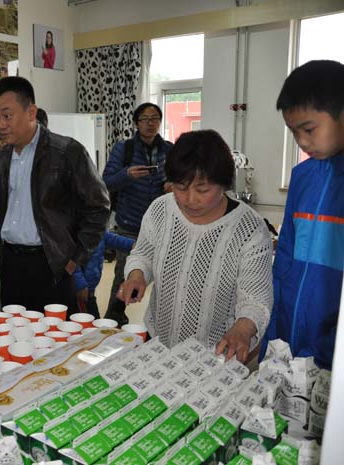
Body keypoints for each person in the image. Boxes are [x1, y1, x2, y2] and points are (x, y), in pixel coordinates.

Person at [0, 76, 110, 314]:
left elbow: (98, 207)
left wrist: (74, 260)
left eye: (7, 116)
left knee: (54, 331)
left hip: (52, 263)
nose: (0, 124)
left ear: (31, 112)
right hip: (9, 263)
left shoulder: (66, 152)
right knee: (15, 330)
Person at [120, 130, 273, 362]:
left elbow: (256, 298)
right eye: (181, 187)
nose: (190, 199)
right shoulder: (161, 209)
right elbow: (143, 254)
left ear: (224, 184)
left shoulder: (249, 229)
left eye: (203, 190)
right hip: (158, 342)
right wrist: (137, 274)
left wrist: (243, 328)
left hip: (215, 353)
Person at [263, 60, 344, 370]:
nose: (302, 142)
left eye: (309, 129)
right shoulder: (302, 176)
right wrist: (274, 334)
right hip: (291, 335)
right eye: (293, 132)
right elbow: (284, 257)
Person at [103, 102, 173, 325]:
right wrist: (127, 175)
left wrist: (173, 185)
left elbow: (181, 179)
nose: (150, 123)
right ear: (136, 123)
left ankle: (161, 323)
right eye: (145, 119)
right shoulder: (124, 149)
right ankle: (114, 320)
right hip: (129, 224)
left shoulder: (169, 150)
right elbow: (106, 182)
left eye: (155, 119)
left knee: (165, 276)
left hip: (162, 225)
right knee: (125, 274)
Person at [74, 232, 135, 319]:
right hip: (78, 290)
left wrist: (134, 245)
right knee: (87, 320)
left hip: (90, 289)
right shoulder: (79, 232)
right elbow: (72, 261)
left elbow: (114, 239)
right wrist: (80, 284)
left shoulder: (99, 231)